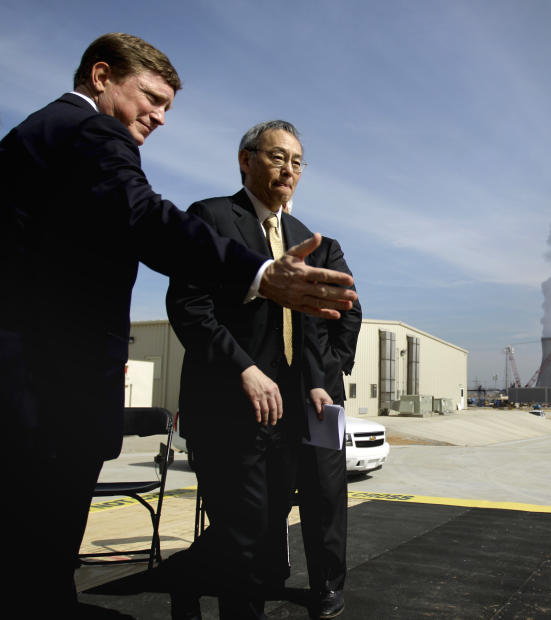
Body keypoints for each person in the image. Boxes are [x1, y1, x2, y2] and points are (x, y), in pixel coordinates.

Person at [0, 33, 356, 616]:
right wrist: (261, 273)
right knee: (42, 556)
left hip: (47, 379)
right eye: (151, 98)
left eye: (167, 106)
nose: (160, 117)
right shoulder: (91, 132)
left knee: (32, 562)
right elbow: (147, 221)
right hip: (48, 388)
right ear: (100, 75)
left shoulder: (36, 136)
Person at [165, 120, 352, 619]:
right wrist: (244, 368)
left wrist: (319, 381)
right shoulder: (211, 217)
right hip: (230, 404)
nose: (288, 170)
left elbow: (320, 322)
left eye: (296, 162)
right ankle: (196, 584)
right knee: (245, 537)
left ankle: (185, 577)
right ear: (246, 160)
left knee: (263, 536)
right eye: (277, 157)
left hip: (288, 412)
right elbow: (189, 306)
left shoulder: (301, 237)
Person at [286, 202, 362, 619]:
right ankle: (259, 570)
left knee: (324, 497)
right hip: (261, 392)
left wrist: (326, 373)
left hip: (319, 399)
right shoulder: (245, 250)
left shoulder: (324, 249)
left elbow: (350, 313)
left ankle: (328, 586)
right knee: (263, 494)